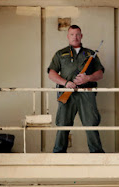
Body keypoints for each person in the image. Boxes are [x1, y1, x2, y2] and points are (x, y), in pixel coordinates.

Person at [48, 25, 105, 153]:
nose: (75, 37)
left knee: (91, 124)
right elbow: (52, 74)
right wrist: (66, 82)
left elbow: (100, 74)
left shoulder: (90, 54)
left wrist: (88, 78)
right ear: (68, 36)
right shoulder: (60, 54)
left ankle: (97, 154)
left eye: (78, 34)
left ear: (81, 36)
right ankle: (58, 154)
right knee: (63, 124)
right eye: (72, 34)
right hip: (66, 92)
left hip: (87, 93)